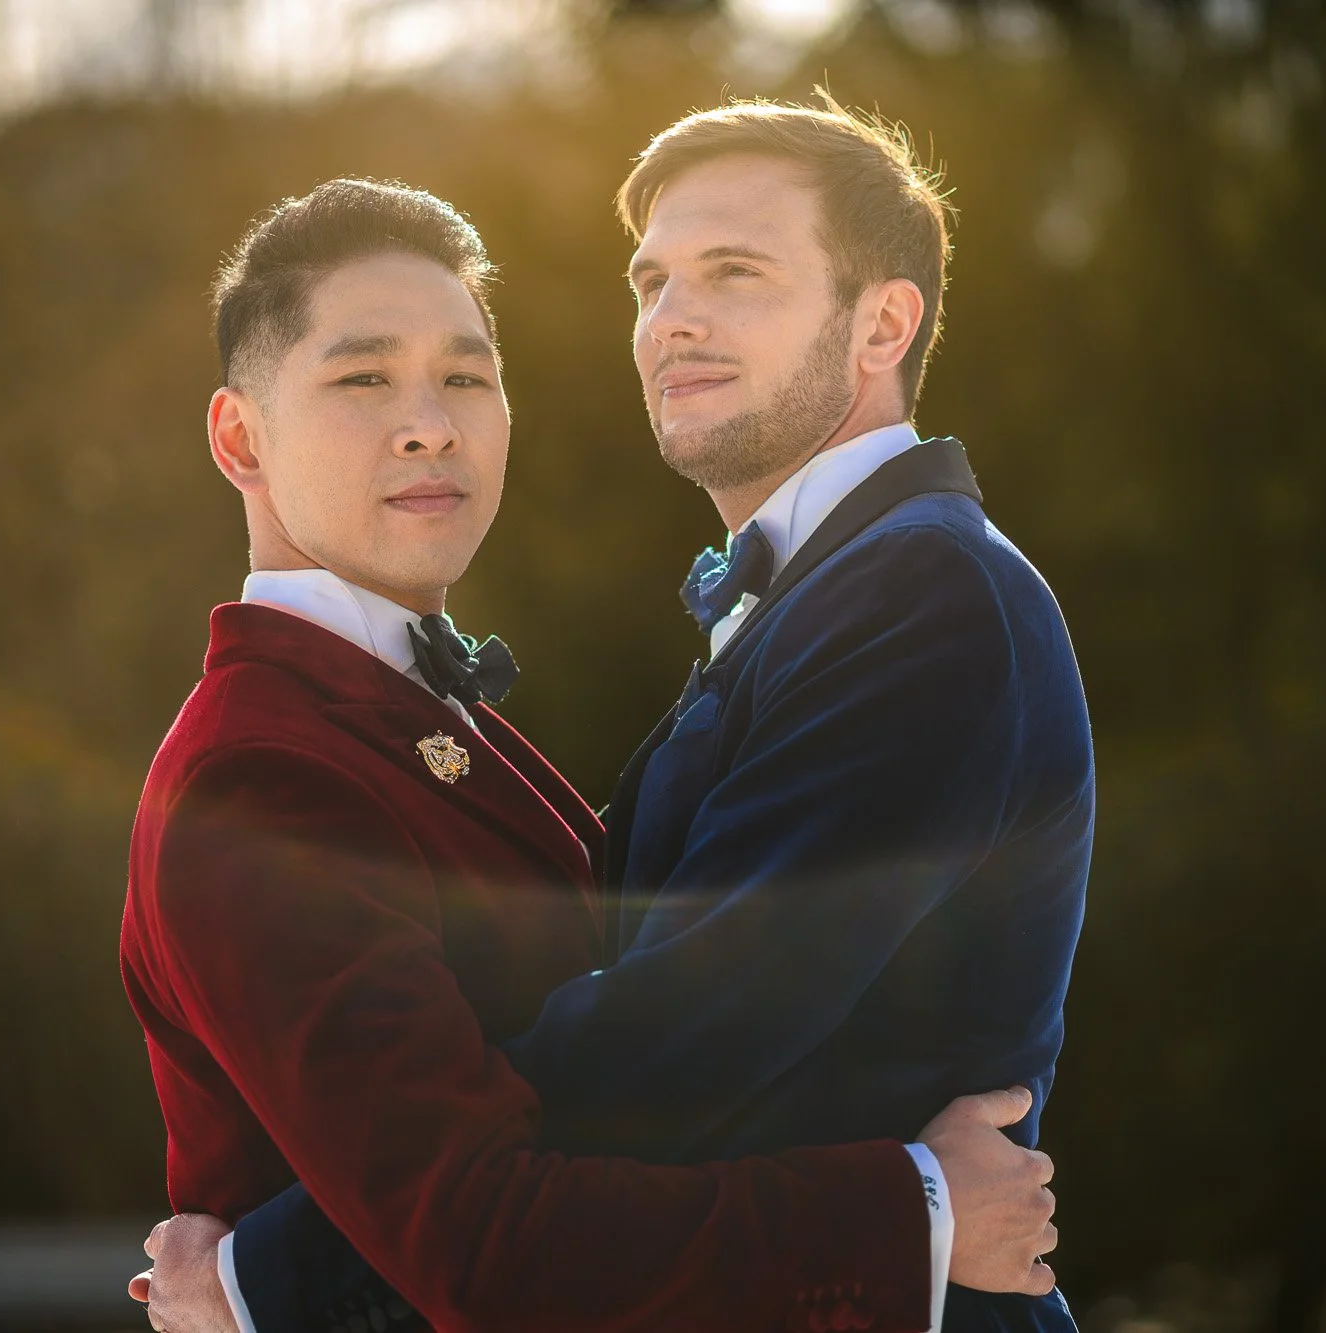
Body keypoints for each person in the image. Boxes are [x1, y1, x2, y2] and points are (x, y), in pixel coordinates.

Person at [147, 96, 1094, 1333]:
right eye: (650, 282)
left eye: (734, 273)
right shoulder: (832, 591)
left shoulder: (925, 592)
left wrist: (261, 1282)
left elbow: (693, 1023)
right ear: (238, 435)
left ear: (882, 322)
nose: (671, 320)